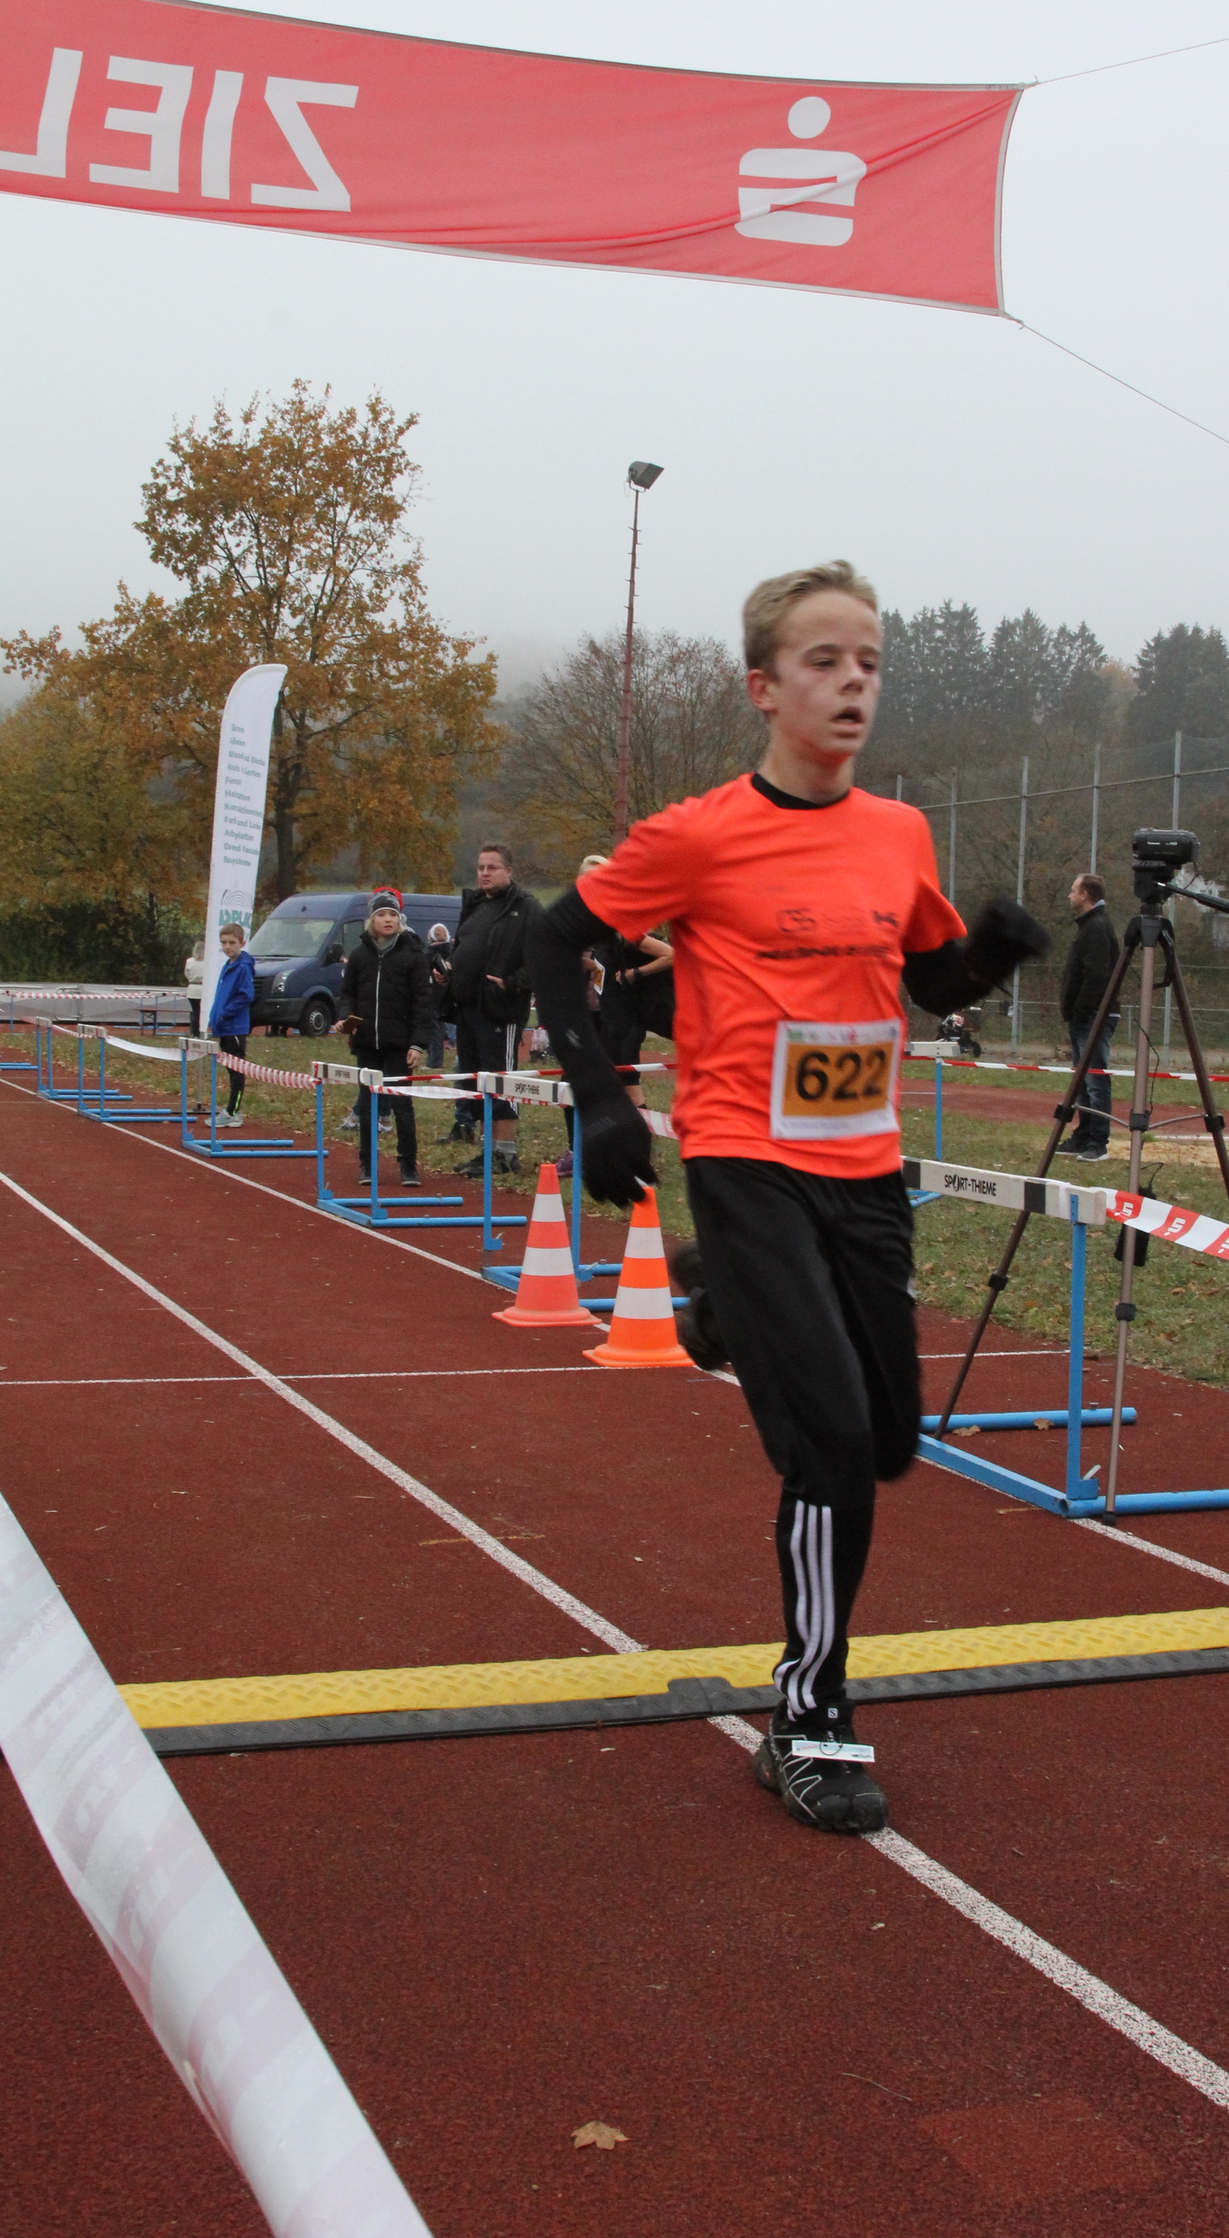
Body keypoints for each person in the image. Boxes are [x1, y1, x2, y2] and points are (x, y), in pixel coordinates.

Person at [528, 560, 1046, 1837]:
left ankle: (722, 1311)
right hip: (746, 1162)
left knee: (891, 1442)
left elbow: (931, 981)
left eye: (869, 661)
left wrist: (994, 949)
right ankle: (808, 1717)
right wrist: (599, 1098)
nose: (852, 682)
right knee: (832, 1456)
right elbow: (554, 939)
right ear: (764, 688)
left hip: (865, 1172)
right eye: (824, 661)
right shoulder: (698, 835)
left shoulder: (898, 833)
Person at [551, 851, 676, 1178]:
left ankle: (640, 1161)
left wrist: (634, 974)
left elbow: (670, 954)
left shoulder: (621, 923)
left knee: (628, 1088)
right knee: (571, 1085)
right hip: (588, 1020)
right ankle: (578, 1153)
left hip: (621, 1023)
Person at [333, 888, 432, 1188]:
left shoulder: (413, 955)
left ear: (400, 919)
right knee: (367, 1105)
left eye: (392, 914)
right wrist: (345, 1017)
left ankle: (408, 1166)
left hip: (400, 1045)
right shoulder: (360, 955)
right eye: (381, 915)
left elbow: (423, 1003)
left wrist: (418, 1044)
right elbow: (347, 994)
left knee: (402, 1106)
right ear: (371, 921)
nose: (387, 920)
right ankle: (367, 1163)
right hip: (367, 1043)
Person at [448, 843, 533, 1176]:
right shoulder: (474, 904)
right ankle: (487, 1152)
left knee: (501, 1079)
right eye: (481, 867)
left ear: (508, 871)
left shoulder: (525, 907)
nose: (484, 873)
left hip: (501, 1009)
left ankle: (505, 1153)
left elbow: (545, 957)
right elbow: (464, 946)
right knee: (477, 1080)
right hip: (467, 1007)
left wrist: (511, 983)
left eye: (492, 867)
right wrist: (449, 970)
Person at [1056, 871, 1120, 1160]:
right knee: (1082, 1082)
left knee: (1095, 1081)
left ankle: (1098, 1142)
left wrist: (1081, 1010)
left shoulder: (1097, 928)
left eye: (1073, 890)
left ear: (1084, 895)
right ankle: (1083, 1136)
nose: (1070, 895)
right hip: (1083, 1016)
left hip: (1094, 1016)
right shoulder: (1089, 926)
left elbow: (1096, 976)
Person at [207, 923, 254, 1126]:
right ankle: (232, 1109)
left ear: (242, 943)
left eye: (232, 943)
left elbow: (246, 995)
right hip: (224, 1027)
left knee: (236, 1070)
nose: (227, 947)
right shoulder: (228, 965)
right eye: (224, 943)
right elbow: (221, 996)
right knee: (229, 1069)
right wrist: (214, 1018)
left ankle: (233, 1111)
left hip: (234, 1027)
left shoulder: (243, 967)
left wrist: (226, 1014)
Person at [425, 922, 455, 1071]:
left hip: (433, 994)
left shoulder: (430, 954)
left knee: (434, 1029)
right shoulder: (451, 953)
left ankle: (434, 1062)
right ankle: (434, 1060)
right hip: (446, 995)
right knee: (439, 1028)